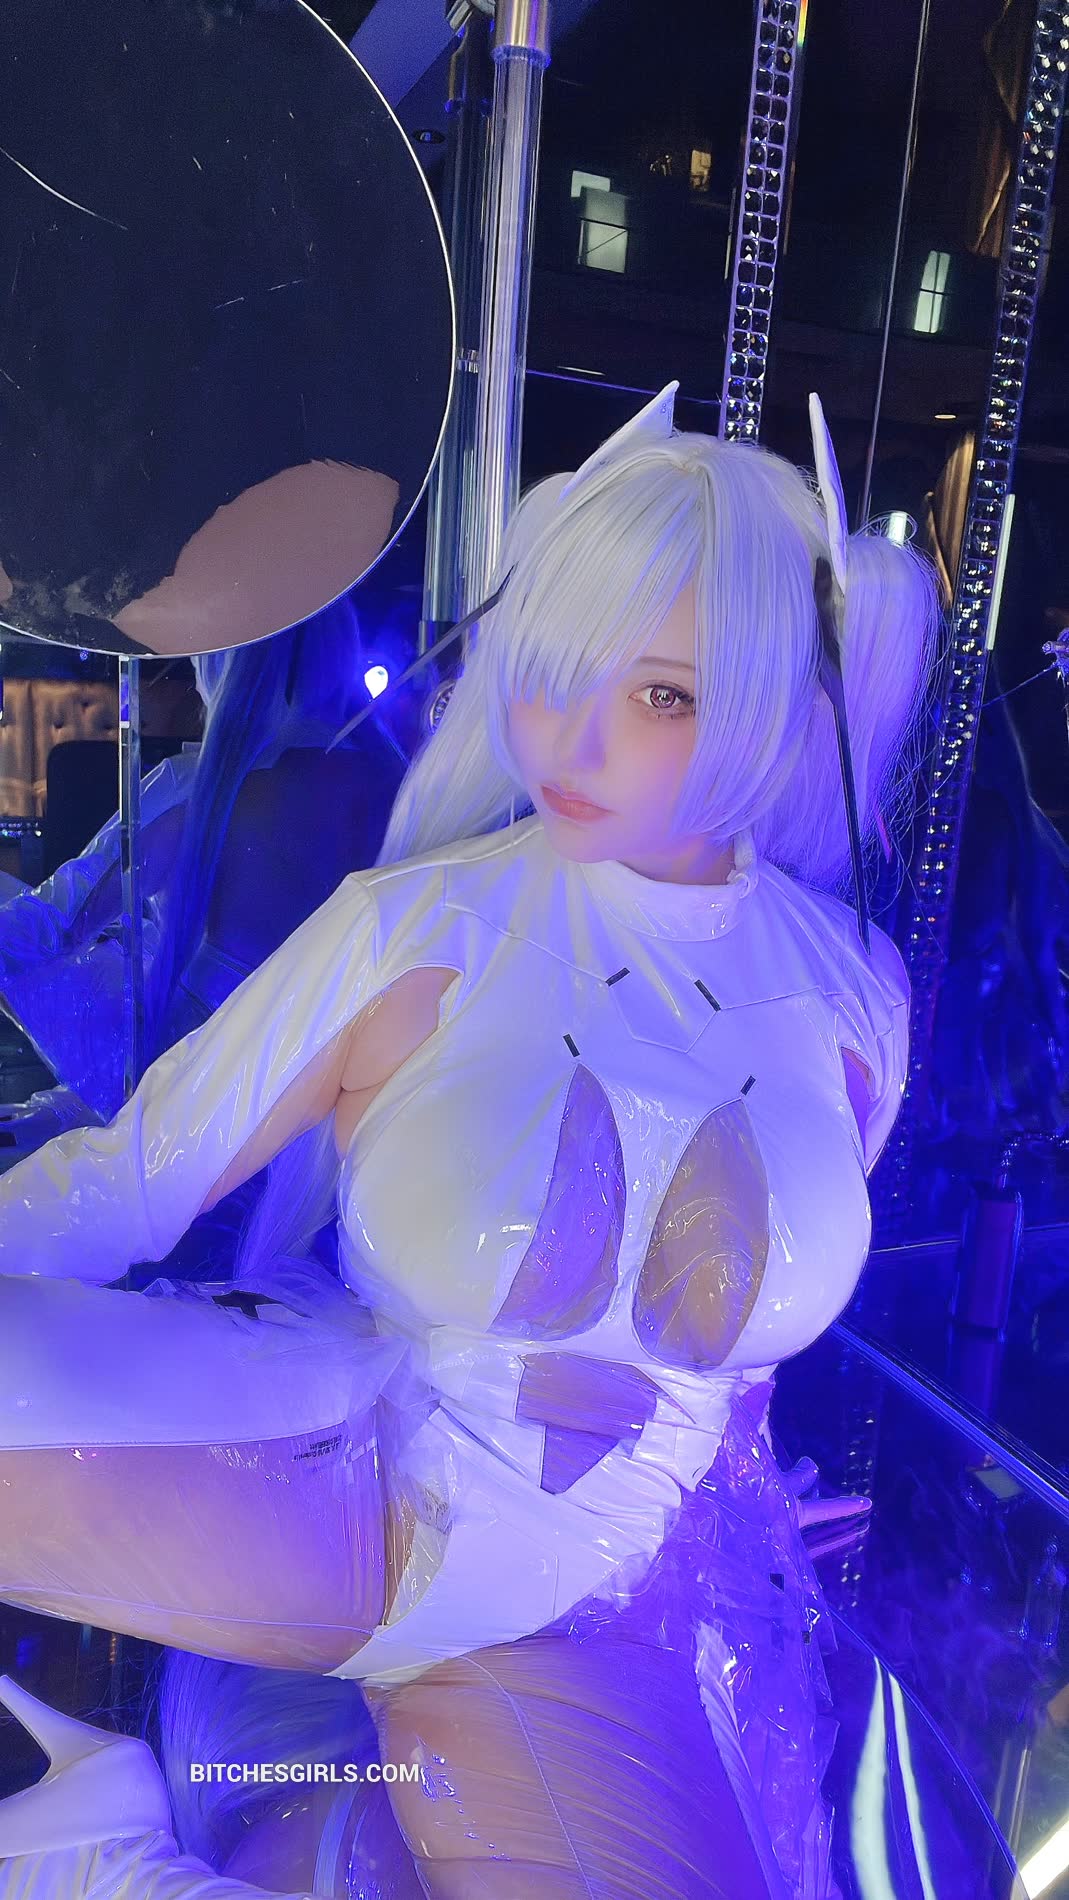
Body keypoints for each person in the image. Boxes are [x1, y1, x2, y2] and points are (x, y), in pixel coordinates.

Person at [0, 390, 937, 1898]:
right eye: (550, 674)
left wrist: (749, 1511)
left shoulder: (854, 998)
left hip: (589, 1624)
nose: (569, 739)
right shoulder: (421, 922)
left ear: (773, 702)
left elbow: (738, 1360)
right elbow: (122, 1184)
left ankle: (85, 1854)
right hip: (322, 1487)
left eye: (662, 695)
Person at [0, 595, 407, 1125]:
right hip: (355, 1081)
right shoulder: (401, 785)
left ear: (223, 667)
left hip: (206, 1082)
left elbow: (72, 921)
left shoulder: (202, 795)